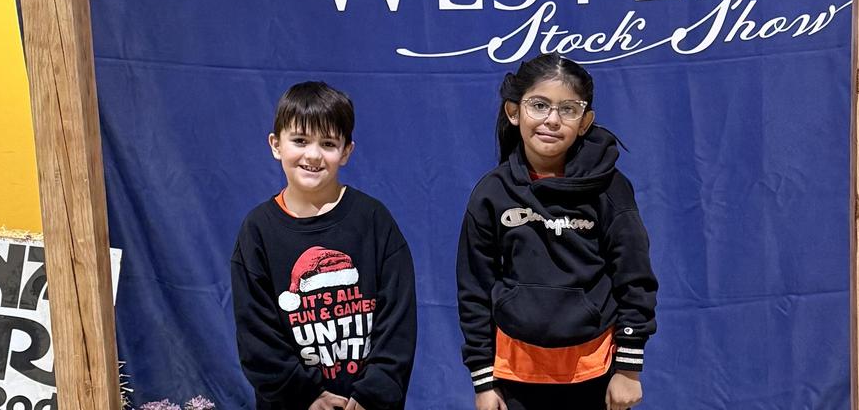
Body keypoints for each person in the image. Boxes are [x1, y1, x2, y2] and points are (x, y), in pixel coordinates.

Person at [457, 54, 658, 410]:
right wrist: (483, 380)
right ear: (513, 112)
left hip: (596, 369)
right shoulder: (492, 193)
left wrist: (628, 368)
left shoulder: (610, 188)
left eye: (568, 109)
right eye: (539, 105)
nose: (552, 119)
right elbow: (475, 289)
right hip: (515, 374)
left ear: (585, 122)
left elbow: (635, 279)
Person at [231, 81, 417, 410]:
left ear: (346, 151)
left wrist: (370, 393)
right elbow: (256, 338)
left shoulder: (373, 220)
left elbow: (398, 322)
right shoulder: (257, 231)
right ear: (276, 144)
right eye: (300, 140)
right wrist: (308, 395)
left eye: (328, 143)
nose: (313, 155)